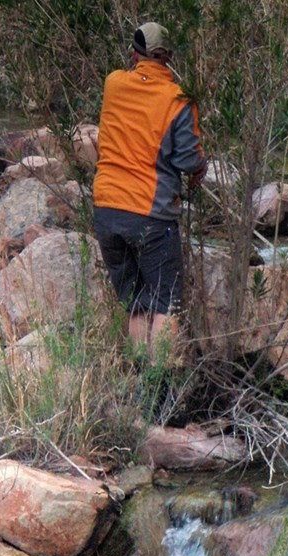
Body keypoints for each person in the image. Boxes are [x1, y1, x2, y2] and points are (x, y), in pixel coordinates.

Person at [93, 21, 207, 357]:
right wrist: (200, 167)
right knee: (165, 306)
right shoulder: (179, 100)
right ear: (168, 58)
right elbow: (187, 161)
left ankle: (140, 382)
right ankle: (159, 393)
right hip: (150, 216)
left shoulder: (113, 84)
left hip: (107, 210)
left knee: (136, 303)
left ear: (134, 54)